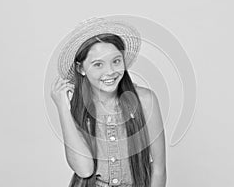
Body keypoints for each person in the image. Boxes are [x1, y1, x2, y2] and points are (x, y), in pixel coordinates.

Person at [51, 17, 166, 187]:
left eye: (116, 61)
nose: (110, 71)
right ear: (81, 68)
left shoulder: (145, 100)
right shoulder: (77, 108)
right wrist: (62, 107)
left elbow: (158, 169)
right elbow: (84, 170)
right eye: (98, 64)